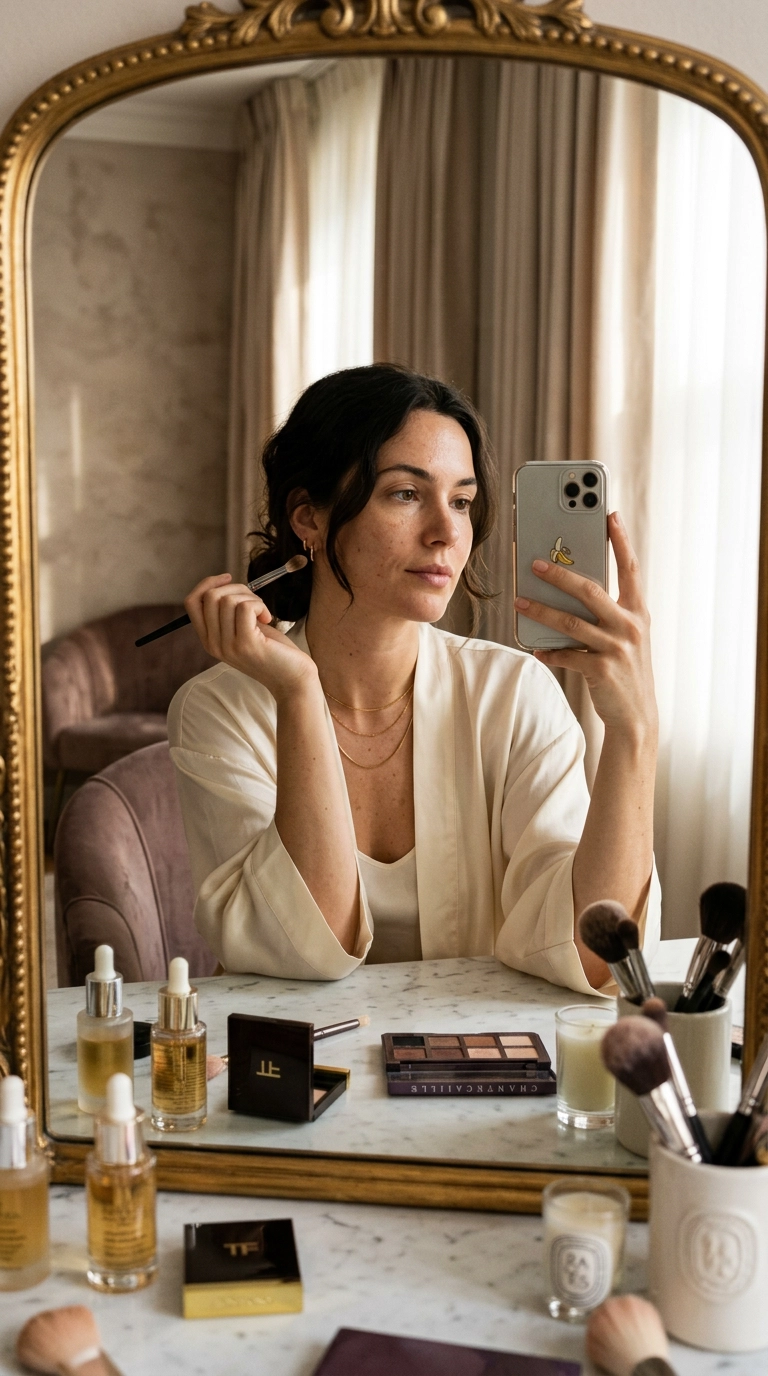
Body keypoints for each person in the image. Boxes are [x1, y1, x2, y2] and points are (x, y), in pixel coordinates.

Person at [169, 364, 660, 990]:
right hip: (293, 1074)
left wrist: (634, 730)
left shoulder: (512, 697)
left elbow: (593, 954)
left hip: (478, 1072)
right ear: (308, 518)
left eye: (461, 500)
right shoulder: (221, 711)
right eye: (406, 494)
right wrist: (297, 695)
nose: (447, 532)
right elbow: (303, 951)